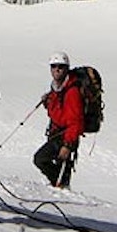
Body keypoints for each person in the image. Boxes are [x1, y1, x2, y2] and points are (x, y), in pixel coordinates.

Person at [33, 51, 84, 189]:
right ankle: (60, 186)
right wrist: (48, 102)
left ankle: (60, 187)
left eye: (60, 66)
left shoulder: (71, 91)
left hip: (65, 136)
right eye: (54, 66)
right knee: (58, 167)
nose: (57, 69)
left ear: (66, 68)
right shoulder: (57, 87)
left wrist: (67, 145)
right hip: (57, 132)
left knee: (41, 159)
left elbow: (75, 121)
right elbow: (58, 113)